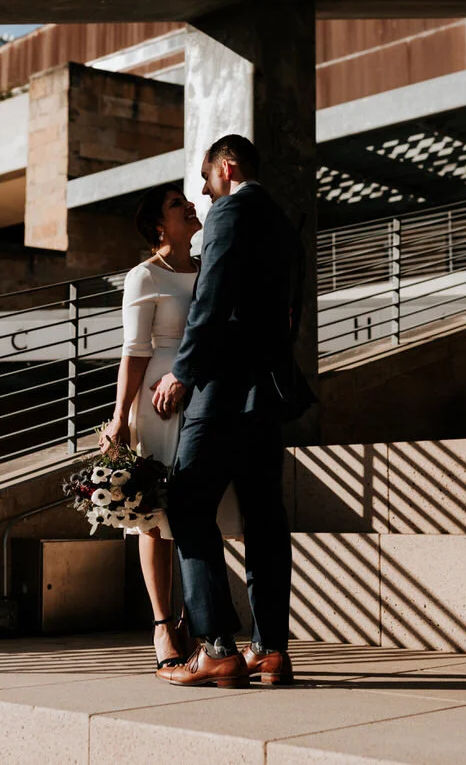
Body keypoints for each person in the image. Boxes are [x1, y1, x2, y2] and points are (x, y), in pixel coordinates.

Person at [151, 134, 314, 688]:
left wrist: (183, 372)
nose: (202, 192)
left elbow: (212, 303)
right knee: (265, 517)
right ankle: (270, 650)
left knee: (189, 503)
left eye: (205, 179)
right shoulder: (285, 224)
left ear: (227, 166)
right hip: (267, 393)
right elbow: (294, 313)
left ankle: (217, 647)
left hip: (221, 391)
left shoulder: (228, 214)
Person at [99, 183, 242, 671]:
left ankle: (193, 622)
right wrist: (120, 417)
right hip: (158, 408)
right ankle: (162, 626)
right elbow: (133, 352)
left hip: (202, 402)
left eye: (187, 200)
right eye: (177, 204)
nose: (189, 205)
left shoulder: (207, 272)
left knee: (196, 515)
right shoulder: (144, 276)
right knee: (154, 519)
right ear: (160, 225)